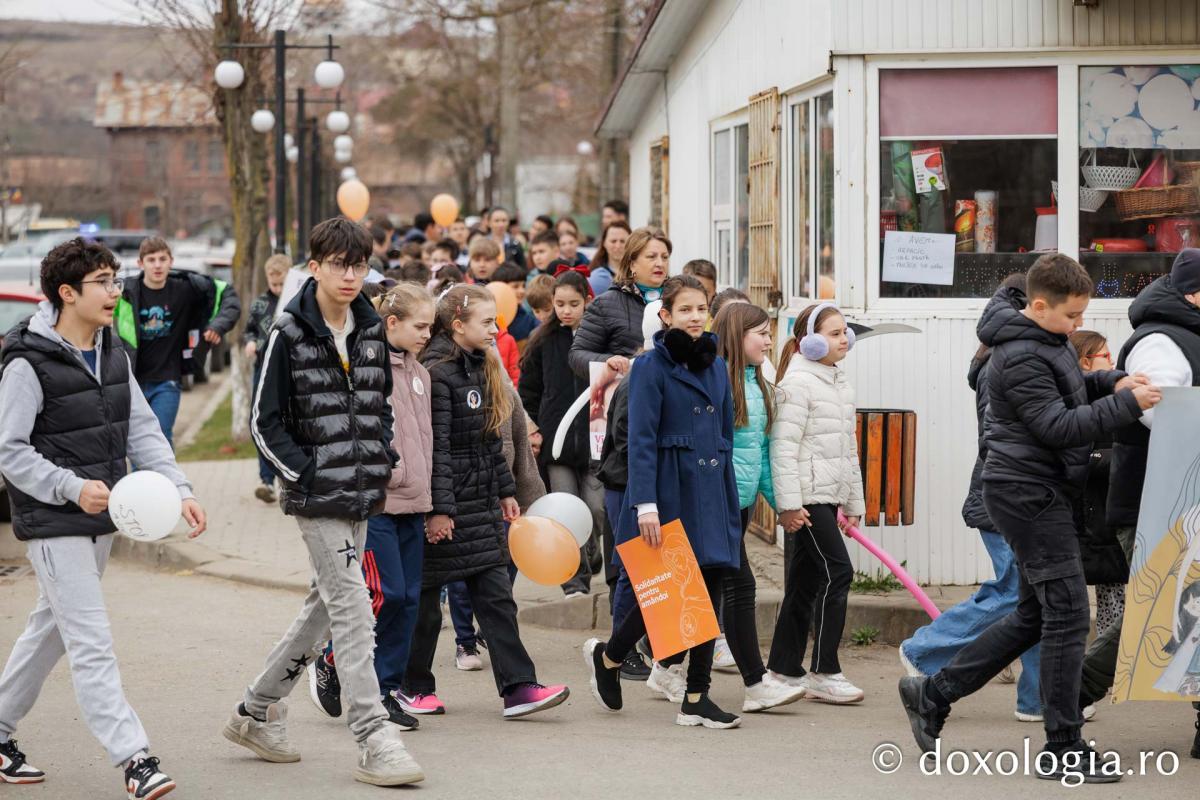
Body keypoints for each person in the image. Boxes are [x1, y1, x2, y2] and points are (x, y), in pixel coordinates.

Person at [898, 254, 1161, 784]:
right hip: (1026, 495)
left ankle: (934, 693)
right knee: (1068, 615)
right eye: (1072, 315)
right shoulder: (1017, 354)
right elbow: (1057, 425)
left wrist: (1112, 381)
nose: (1078, 324)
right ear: (1039, 306)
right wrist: (1128, 405)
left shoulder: (1046, 338)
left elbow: (1071, 386)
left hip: (1039, 491)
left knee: (1037, 615)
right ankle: (1062, 746)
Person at [0, 237, 208, 798]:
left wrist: (179, 488)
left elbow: (142, 428)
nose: (116, 292)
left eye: (117, 280)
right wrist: (69, 487)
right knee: (90, 641)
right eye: (103, 283)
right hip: (53, 521)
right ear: (67, 293)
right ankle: (134, 758)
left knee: (51, 631)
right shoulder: (27, 362)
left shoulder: (112, 348)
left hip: (103, 518)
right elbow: (9, 449)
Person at [226, 218, 424, 787]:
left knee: (325, 604)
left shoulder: (371, 329)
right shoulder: (287, 333)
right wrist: (305, 474)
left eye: (358, 265)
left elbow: (378, 406)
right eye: (338, 264)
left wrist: (382, 458)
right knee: (354, 607)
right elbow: (263, 422)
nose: (350, 275)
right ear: (314, 267)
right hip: (317, 498)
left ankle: (255, 711)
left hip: (363, 492)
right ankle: (374, 737)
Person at [397, 283, 568, 719]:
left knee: (497, 600)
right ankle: (411, 687)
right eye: (487, 322)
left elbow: (490, 437)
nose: (496, 329)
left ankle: (519, 688)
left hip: (481, 504)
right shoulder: (437, 373)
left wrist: (506, 491)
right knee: (425, 610)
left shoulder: (480, 366)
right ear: (458, 325)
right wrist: (439, 510)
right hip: (445, 510)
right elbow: (434, 449)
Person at [583, 274, 742, 729]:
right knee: (668, 594)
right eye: (685, 309)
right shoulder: (650, 367)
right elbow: (640, 441)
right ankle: (610, 658)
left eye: (701, 309)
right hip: (671, 490)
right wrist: (646, 505)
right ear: (666, 315)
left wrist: (726, 488)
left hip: (712, 490)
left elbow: (725, 432)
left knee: (708, 590)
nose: (695, 317)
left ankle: (696, 697)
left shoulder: (716, 364)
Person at [899, 273, 1045, 723]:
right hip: (1003, 495)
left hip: (1012, 495)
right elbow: (1002, 438)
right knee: (1015, 591)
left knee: (1035, 594)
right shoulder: (1007, 358)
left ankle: (1038, 698)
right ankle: (924, 650)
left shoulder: (1004, 352)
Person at [1081, 249, 1200, 757]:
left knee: (1186, 613)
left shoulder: (1187, 334)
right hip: (1159, 501)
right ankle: (1069, 692)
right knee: (1159, 616)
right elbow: (1160, 412)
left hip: (1183, 498)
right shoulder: (1161, 340)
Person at [307, 284, 436, 733]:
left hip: (415, 503)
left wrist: (432, 496)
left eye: (431, 327)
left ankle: (385, 692)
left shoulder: (421, 374)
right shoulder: (365, 366)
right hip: (377, 503)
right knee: (386, 595)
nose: (427, 335)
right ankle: (331, 658)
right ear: (391, 323)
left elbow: (426, 439)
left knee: (409, 602)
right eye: (420, 326)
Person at [709, 301, 808, 712]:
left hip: (742, 503)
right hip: (717, 502)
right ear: (737, 336)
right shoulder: (715, 382)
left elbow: (763, 456)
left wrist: (783, 505)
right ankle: (756, 683)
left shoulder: (759, 383)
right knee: (740, 586)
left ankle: (659, 665)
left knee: (711, 589)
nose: (769, 341)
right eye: (762, 334)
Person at [768, 302, 866, 704]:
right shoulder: (798, 384)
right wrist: (789, 505)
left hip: (828, 494)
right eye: (834, 333)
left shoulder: (838, 382)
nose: (844, 339)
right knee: (838, 572)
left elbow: (848, 450)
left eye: (845, 332)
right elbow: (782, 448)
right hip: (808, 498)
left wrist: (853, 502)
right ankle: (825, 671)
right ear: (809, 342)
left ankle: (783, 667)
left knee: (805, 582)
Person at [446, 362, 546, 673]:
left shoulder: (506, 393)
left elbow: (522, 448)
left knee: (507, 564)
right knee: (462, 575)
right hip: (465, 497)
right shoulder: (450, 387)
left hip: (505, 497)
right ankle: (464, 640)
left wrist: (529, 496)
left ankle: (486, 629)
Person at [519, 271, 603, 598]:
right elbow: (528, 390)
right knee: (565, 514)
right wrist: (535, 428)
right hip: (556, 444)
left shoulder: (600, 340)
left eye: (574, 304)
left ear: (588, 302)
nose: (566, 311)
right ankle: (574, 582)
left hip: (596, 441)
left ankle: (591, 551)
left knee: (596, 508)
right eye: (560, 304)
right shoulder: (542, 340)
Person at [114, 237, 241, 447]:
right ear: (140, 263)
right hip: (133, 382)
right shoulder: (126, 292)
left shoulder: (187, 288)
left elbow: (228, 295)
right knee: (137, 443)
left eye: (162, 259)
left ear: (171, 262)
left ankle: (165, 471)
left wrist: (217, 326)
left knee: (161, 439)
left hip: (167, 381)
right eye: (151, 260)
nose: (157, 265)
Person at [568, 227, 670, 381]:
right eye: (651, 257)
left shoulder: (679, 300)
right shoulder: (605, 304)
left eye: (665, 257)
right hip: (628, 390)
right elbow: (577, 355)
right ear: (632, 264)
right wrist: (608, 361)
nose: (660, 263)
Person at [243, 254, 291, 504]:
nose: (278, 289)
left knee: (287, 423)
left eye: (282, 284)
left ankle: (287, 477)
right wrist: (250, 342)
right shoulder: (260, 304)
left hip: (288, 369)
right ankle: (266, 480)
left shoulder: (294, 303)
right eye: (274, 285)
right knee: (262, 421)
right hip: (262, 368)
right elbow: (249, 329)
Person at [493, 262, 538, 347]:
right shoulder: (488, 320)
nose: (522, 291)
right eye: (516, 286)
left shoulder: (530, 322)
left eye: (523, 286)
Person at [588, 221, 630, 298]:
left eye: (622, 241)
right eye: (613, 241)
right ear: (604, 243)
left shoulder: (639, 273)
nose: (618, 246)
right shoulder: (597, 277)